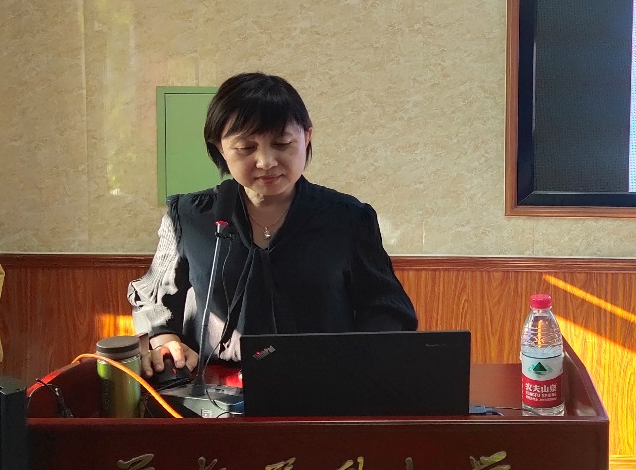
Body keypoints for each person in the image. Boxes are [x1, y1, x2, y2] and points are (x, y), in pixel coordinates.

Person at [128, 72, 418, 377]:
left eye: (282, 143)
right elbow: (153, 299)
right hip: (212, 384)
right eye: (246, 148)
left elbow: (386, 307)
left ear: (307, 137)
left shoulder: (348, 218)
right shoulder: (189, 215)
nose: (266, 161)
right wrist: (166, 341)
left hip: (323, 381)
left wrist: (357, 360)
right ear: (220, 148)